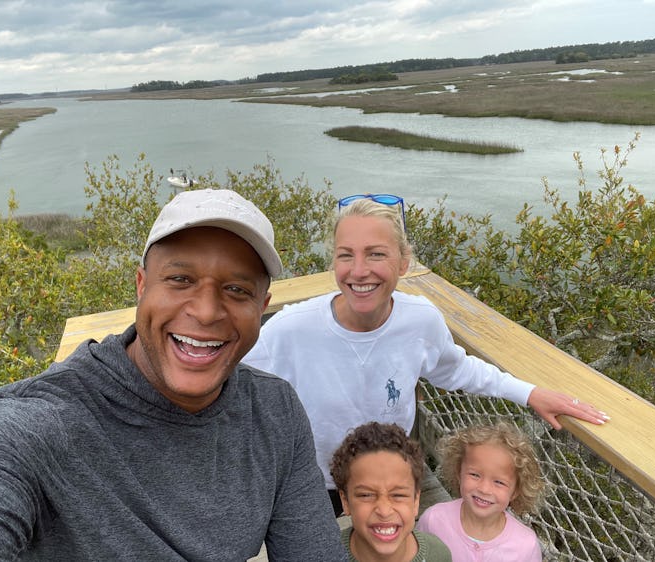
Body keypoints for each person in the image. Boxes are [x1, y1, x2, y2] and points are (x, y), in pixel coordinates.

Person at [0, 189, 347, 561]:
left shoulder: (274, 412)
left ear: (262, 305)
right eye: (180, 279)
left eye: (237, 290)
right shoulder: (40, 424)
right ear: (141, 286)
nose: (206, 311)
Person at [243, 193, 609, 514]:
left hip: (391, 480)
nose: (358, 271)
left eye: (376, 254)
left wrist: (529, 393)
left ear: (404, 263)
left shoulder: (419, 321)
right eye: (345, 255)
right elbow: (230, 378)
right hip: (312, 486)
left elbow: (459, 370)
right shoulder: (291, 329)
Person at [417, 422, 545, 560]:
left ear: (515, 491)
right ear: (459, 472)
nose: (484, 489)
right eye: (474, 475)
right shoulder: (433, 520)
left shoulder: (526, 546)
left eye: (499, 482)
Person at [330, 421, 452, 562]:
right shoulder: (323, 554)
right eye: (366, 495)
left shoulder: (438, 554)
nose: (384, 511)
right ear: (345, 501)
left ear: (416, 500)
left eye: (398, 495)